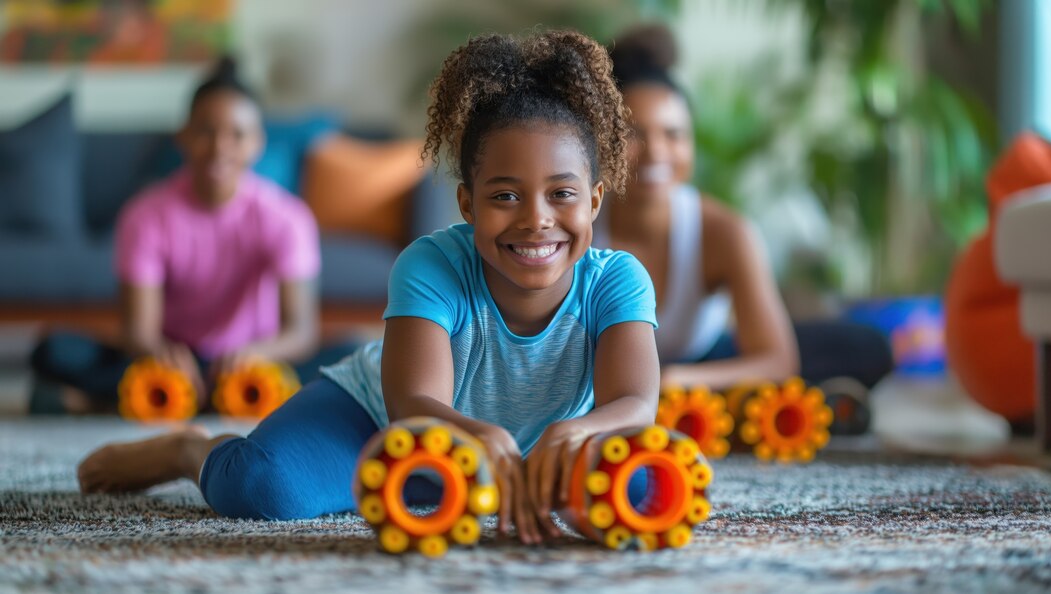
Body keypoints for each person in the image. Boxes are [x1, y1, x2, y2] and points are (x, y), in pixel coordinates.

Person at [76, 30, 660, 546]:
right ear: (467, 204)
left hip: (538, 447)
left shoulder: (618, 281)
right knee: (262, 489)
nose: (536, 220)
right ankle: (190, 448)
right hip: (382, 422)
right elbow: (413, 407)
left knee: (639, 491)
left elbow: (635, 403)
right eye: (505, 195)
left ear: (595, 200)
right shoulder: (431, 265)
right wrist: (484, 436)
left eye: (561, 193)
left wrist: (574, 432)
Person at [30, 57, 342, 414]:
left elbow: (301, 331)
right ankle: (209, 397)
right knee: (56, 350)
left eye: (236, 135)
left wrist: (257, 353)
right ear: (183, 137)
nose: (219, 148)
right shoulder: (145, 215)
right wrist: (161, 352)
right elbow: (137, 330)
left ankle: (92, 402)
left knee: (357, 353)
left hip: (255, 361)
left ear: (257, 143)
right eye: (206, 132)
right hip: (176, 361)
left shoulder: (287, 218)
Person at [599, 25, 893, 391]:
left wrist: (675, 382)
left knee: (866, 348)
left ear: (692, 143)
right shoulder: (580, 221)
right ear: (604, 142)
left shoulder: (724, 231)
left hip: (697, 366)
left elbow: (777, 359)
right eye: (634, 134)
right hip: (601, 372)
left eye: (673, 134)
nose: (657, 151)